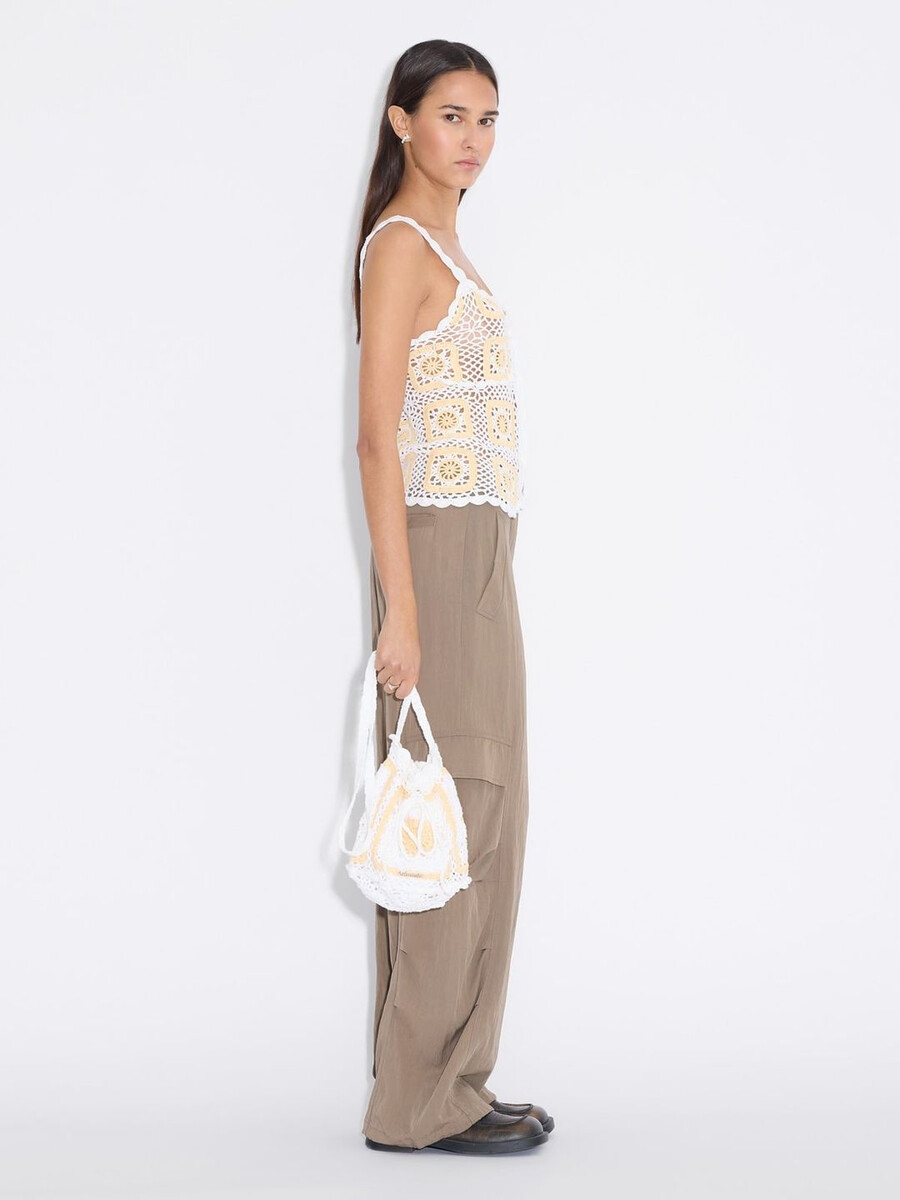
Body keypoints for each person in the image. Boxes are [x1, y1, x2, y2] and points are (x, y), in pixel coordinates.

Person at [352, 39, 552, 1155]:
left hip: (484, 553)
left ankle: (458, 1078)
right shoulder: (399, 247)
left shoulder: (451, 245)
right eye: (451, 115)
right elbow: (377, 441)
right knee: (448, 812)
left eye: (488, 119)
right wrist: (402, 608)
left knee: (488, 811)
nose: (473, 139)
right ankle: (416, 1101)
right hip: (435, 555)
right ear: (402, 122)